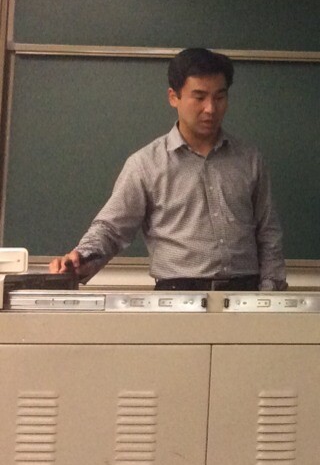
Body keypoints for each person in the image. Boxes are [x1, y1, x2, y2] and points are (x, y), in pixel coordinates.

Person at [48, 48, 287, 291]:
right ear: (174, 97)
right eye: (199, 97)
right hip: (177, 296)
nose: (210, 109)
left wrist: (271, 292)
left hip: (245, 295)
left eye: (219, 97)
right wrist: (80, 258)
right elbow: (111, 230)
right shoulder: (146, 164)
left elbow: (268, 233)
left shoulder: (249, 159)